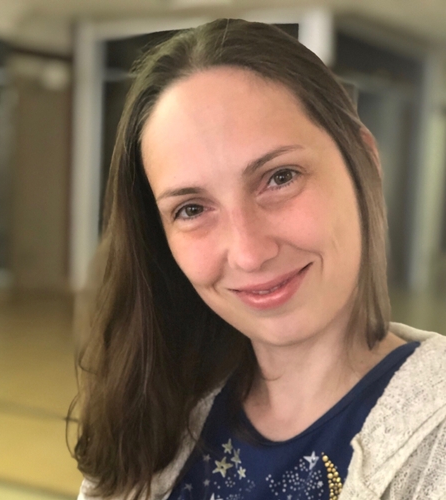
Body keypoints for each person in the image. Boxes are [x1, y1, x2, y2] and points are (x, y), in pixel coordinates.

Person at [72, 19, 446, 500]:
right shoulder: (151, 413)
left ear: (365, 161)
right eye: (192, 209)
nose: (249, 253)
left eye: (280, 177)